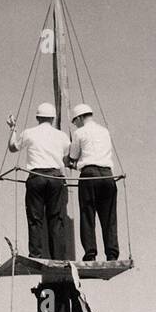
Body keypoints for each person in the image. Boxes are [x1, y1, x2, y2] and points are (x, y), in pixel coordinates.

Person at [7, 102, 72, 260]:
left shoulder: (29, 133)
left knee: (35, 218)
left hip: (36, 177)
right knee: (56, 218)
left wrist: (13, 129)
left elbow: (13, 147)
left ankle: (35, 254)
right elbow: (67, 156)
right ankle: (58, 257)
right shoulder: (62, 136)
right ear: (53, 118)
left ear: (37, 117)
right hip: (56, 177)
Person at [67, 102, 119, 263]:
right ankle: (112, 253)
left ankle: (90, 252)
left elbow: (73, 157)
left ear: (80, 117)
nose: (75, 125)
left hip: (89, 175)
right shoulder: (105, 131)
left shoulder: (79, 133)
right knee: (109, 216)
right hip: (107, 175)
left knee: (87, 214)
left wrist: (70, 162)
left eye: (75, 122)